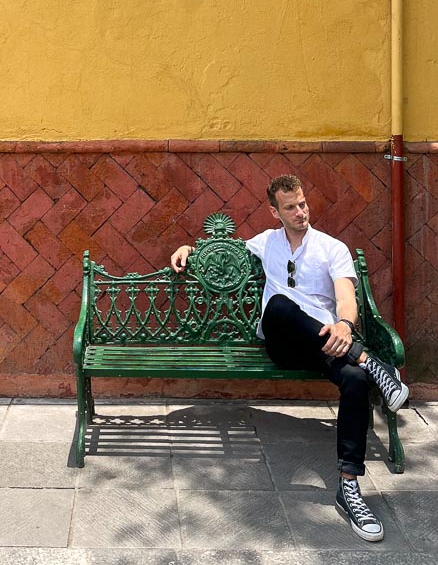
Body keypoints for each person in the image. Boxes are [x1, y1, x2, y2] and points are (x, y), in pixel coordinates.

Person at [170, 173, 408, 543]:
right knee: (279, 305)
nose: (300, 212)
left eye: (302, 203)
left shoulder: (332, 248)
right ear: (274, 212)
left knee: (356, 381)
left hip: (328, 343)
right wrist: (188, 249)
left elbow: (346, 297)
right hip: (282, 344)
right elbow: (220, 253)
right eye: (291, 207)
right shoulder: (266, 242)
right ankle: (372, 362)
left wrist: (345, 324)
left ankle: (349, 489)